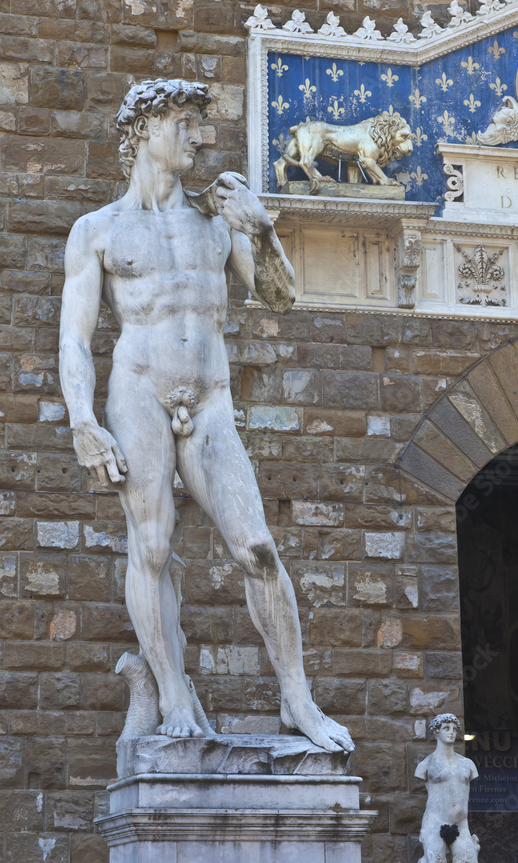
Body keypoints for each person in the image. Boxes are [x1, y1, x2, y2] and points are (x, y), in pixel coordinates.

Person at [59, 78, 353, 752]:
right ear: (143, 132)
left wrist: (263, 229)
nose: (200, 137)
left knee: (256, 549)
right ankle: (170, 692)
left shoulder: (216, 218)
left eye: (200, 123)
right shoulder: (98, 231)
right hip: (137, 394)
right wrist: (82, 418)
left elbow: (279, 299)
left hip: (211, 402)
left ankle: (297, 702)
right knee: (153, 547)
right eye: (186, 123)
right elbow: (75, 337)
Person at [415, 714, 480, 863]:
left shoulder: (467, 764)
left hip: (461, 825)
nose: (451, 732)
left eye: (454, 729)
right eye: (446, 728)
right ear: (437, 732)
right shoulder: (426, 765)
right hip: (435, 823)